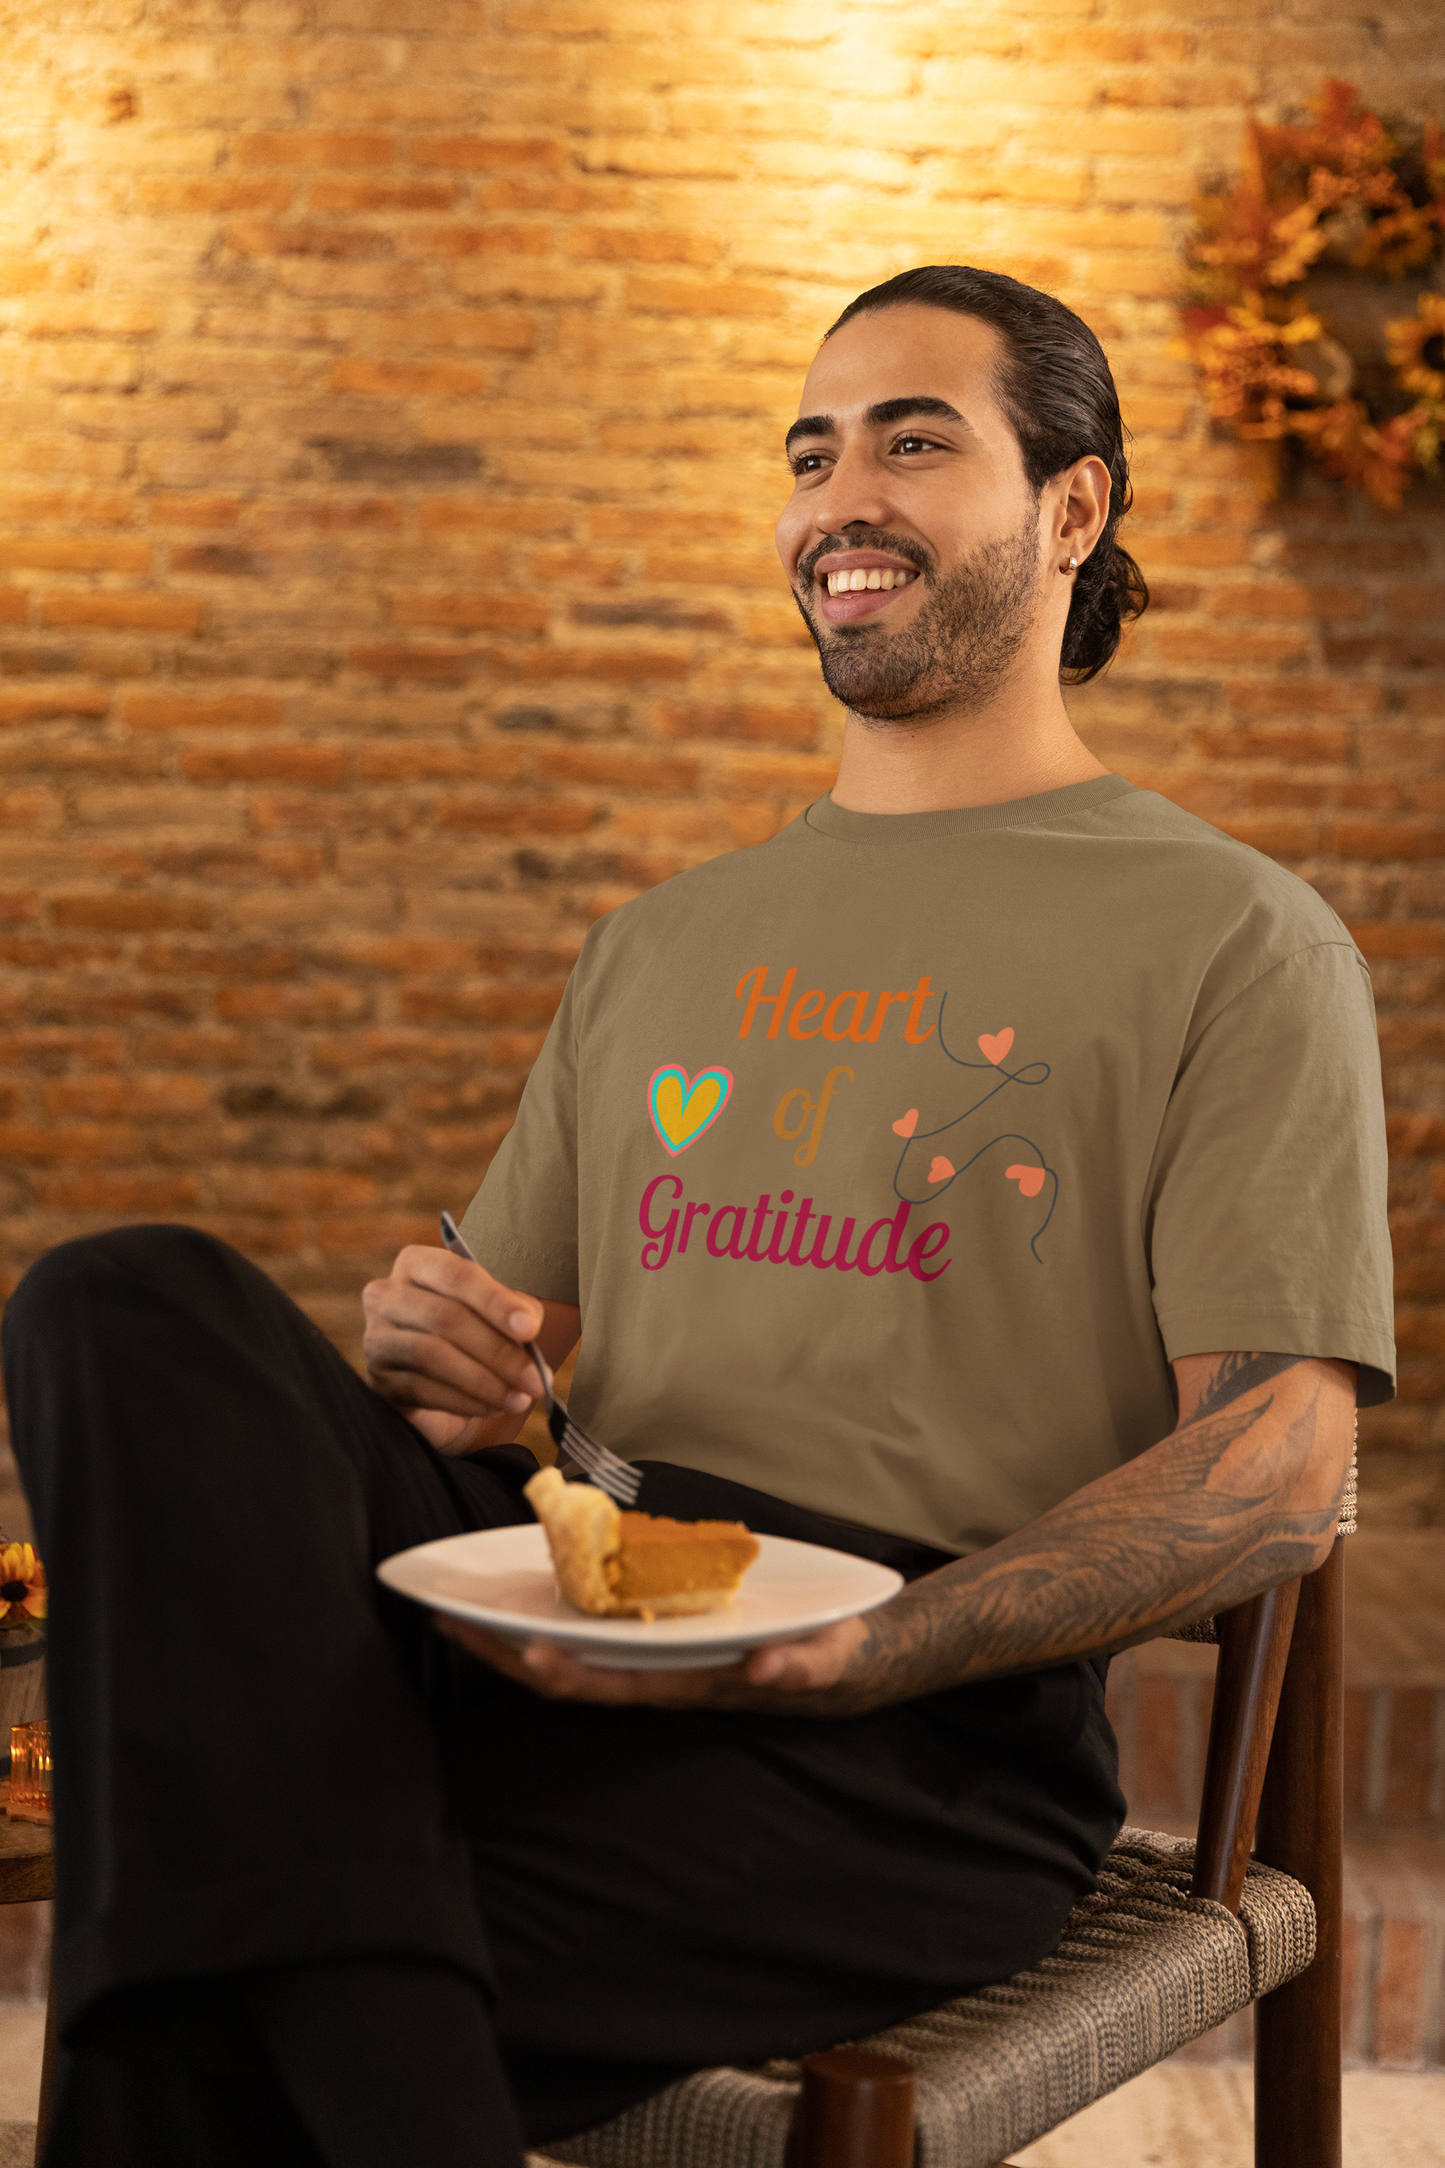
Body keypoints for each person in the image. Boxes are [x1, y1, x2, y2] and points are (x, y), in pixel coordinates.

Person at [3, 265, 1393, 2168]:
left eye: (916, 440)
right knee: (118, 1296)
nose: (840, 498)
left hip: (907, 1749)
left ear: (1073, 511)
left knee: (200, 1931)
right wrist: (438, 1355)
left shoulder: (1238, 938)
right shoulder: (661, 943)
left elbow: (1274, 1466)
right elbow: (496, 1383)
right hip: (566, 1607)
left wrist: (869, 1652)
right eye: (812, 454)